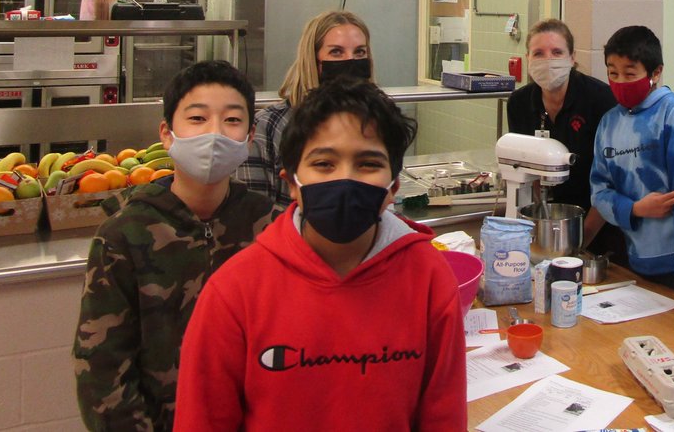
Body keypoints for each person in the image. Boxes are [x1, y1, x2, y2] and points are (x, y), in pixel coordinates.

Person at [174, 80, 467, 431]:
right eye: (324, 163)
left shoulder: (429, 277)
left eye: (368, 163)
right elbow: (203, 421)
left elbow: (443, 415)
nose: (345, 178)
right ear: (292, 183)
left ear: (394, 189)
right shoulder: (234, 291)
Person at [73, 60, 275, 431]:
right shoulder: (123, 235)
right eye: (197, 119)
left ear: (249, 138)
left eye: (232, 120)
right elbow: (102, 373)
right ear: (167, 133)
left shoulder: (270, 228)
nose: (215, 133)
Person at [590, 25, 674, 313]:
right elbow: (599, 192)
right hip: (640, 260)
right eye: (612, 73)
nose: (620, 81)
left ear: (655, 73)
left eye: (630, 73)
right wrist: (636, 209)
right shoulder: (609, 123)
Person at [506, 18, 625, 260]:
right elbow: (526, 171)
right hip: (547, 224)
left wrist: (579, 243)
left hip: (600, 226)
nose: (548, 60)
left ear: (572, 58)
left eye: (557, 52)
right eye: (538, 53)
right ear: (528, 58)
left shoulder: (602, 100)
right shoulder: (519, 103)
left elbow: (614, 181)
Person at [235, 9, 372, 208]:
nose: (350, 61)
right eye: (336, 52)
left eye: (359, 52)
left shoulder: (373, 123)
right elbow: (253, 214)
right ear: (313, 60)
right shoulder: (269, 126)